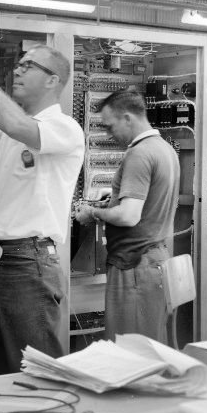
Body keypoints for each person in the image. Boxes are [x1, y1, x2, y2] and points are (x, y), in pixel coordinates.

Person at [0, 45, 85, 375]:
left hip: (27, 262)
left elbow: (18, 126)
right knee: (0, 368)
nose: (17, 70)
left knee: (37, 367)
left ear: (52, 80)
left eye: (28, 65)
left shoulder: (64, 128)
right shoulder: (7, 132)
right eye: (18, 64)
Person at [74, 89, 179, 344]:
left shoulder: (139, 154)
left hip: (134, 268)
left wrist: (92, 212)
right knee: (150, 345)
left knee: (130, 349)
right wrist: (114, 199)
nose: (109, 135)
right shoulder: (165, 149)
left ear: (128, 118)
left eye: (110, 127)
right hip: (154, 261)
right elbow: (149, 202)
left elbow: (129, 216)